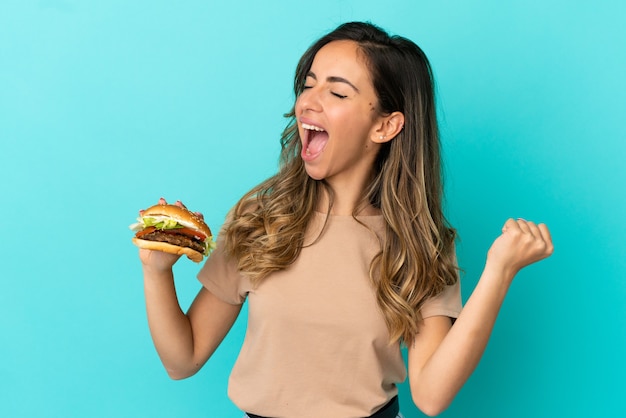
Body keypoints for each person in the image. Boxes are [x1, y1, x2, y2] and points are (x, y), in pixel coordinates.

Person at [137, 22, 554, 418]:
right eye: (308, 84)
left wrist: (499, 272)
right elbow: (183, 359)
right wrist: (156, 272)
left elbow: (430, 395)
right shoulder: (259, 219)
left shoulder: (419, 243)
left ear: (386, 125)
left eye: (337, 93)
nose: (308, 102)